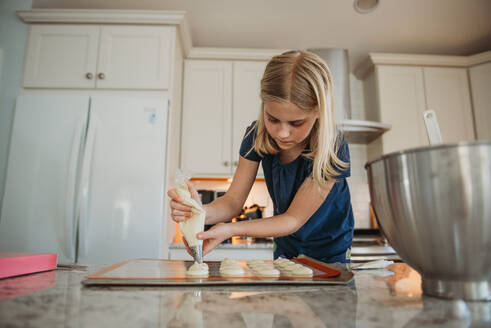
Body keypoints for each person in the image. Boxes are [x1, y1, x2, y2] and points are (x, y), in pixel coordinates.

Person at [168, 50, 353, 263]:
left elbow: (293, 219)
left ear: (319, 111)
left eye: (296, 123)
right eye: (273, 119)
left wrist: (230, 229)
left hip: (331, 251)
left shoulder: (333, 146)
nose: (282, 133)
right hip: (286, 247)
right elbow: (233, 202)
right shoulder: (256, 136)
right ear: (263, 105)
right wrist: (199, 212)